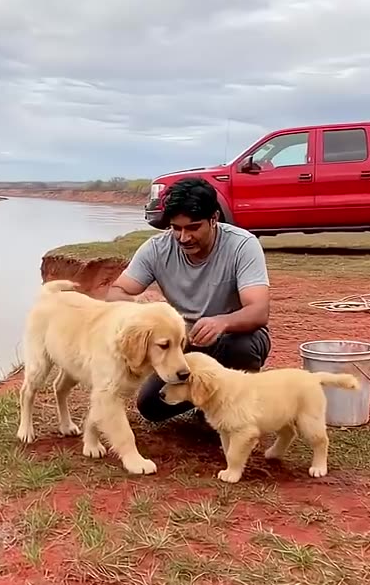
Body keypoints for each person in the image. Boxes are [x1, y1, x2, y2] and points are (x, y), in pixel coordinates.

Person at [106, 177, 271, 422]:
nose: (184, 238)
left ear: (214, 218)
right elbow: (115, 294)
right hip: (182, 345)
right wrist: (144, 306)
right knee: (151, 407)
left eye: (193, 227)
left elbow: (258, 311)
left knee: (242, 347)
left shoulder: (242, 245)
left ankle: (240, 407)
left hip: (229, 339)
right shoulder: (156, 249)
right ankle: (204, 402)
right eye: (176, 228)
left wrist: (222, 323)